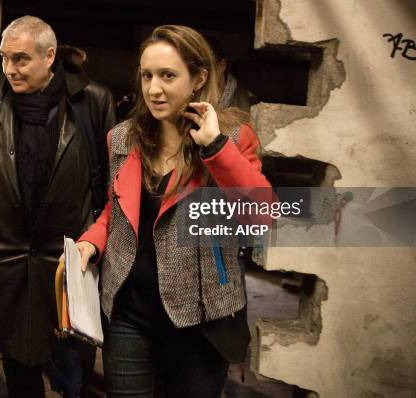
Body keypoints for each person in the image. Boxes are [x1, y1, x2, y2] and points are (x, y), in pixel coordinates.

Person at [74, 25, 274, 397]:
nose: (154, 89)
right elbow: (114, 212)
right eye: (147, 75)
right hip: (128, 313)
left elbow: (260, 216)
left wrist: (214, 148)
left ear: (199, 78)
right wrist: (92, 242)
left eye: (168, 76)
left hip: (200, 317)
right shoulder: (122, 138)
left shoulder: (233, 137)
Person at [0, 16, 115, 397]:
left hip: (69, 260)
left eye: (20, 59)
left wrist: (99, 243)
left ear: (49, 57)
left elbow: (111, 185)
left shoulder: (92, 101)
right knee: (17, 362)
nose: (9, 70)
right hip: (9, 256)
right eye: (4, 58)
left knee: (73, 368)